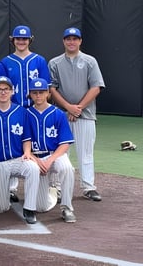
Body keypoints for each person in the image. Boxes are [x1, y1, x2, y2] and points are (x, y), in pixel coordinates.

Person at [48, 27, 105, 202]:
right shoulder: (55, 63)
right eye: (68, 39)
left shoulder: (90, 61)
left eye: (75, 39)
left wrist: (77, 108)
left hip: (85, 114)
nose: (71, 42)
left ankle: (88, 187)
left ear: (80, 41)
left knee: (85, 152)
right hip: (61, 116)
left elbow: (96, 87)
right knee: (60, 153)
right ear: (63, 41)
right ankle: (56, 188)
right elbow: (52, 89)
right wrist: (67, 107)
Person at [0, 76, 40, 224]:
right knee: (1, 208)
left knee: (33, 168)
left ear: (12, 91)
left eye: (6, 89)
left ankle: (29, 209)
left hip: (18, 158)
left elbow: (26, 138)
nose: (3, 92)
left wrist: (27, 152)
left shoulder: (21, 112)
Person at [1, 25, 51, 203]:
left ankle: (47, 183)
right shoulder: (6, 62)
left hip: (33, 108)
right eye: (18, 38)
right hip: (13, 109)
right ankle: (12, 187)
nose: (21, 41)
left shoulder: (39, 60)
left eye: (24, 38)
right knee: (14, 144)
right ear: (12, 40)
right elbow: (3, 87)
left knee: (38, 145)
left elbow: (46, 86)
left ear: (30, 40)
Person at [26, 78, 76, 223]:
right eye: (34, 93)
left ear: (48, 93)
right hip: (35, 158)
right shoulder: (26, 114)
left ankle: (67, 207)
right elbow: (25, 144)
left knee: (67, 168)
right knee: (41, 207)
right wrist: (36, 160)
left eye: (41, 92)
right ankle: (52, 193)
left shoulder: (58, 114)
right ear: (30, 94)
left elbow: (65, 144)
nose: (38, 96)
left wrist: (50, 160)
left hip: (55, 155)